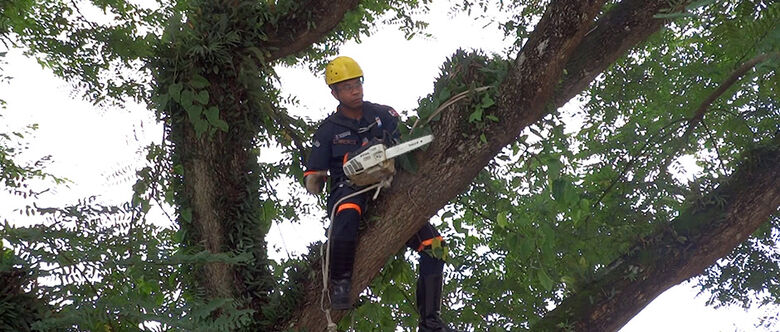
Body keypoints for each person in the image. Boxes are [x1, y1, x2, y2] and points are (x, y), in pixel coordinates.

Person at [303, 56, 455, 331]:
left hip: (388, 187)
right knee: (347, 215)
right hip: (347, 189)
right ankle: (339, 284)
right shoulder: (328, 131)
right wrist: (321, 177)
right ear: (335, 92)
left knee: (435, 246)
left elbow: (406, 144)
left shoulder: (382, 115)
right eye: (347, 86)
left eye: (358, 83)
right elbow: (314, 178)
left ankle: (430, 321)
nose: (356, 90)